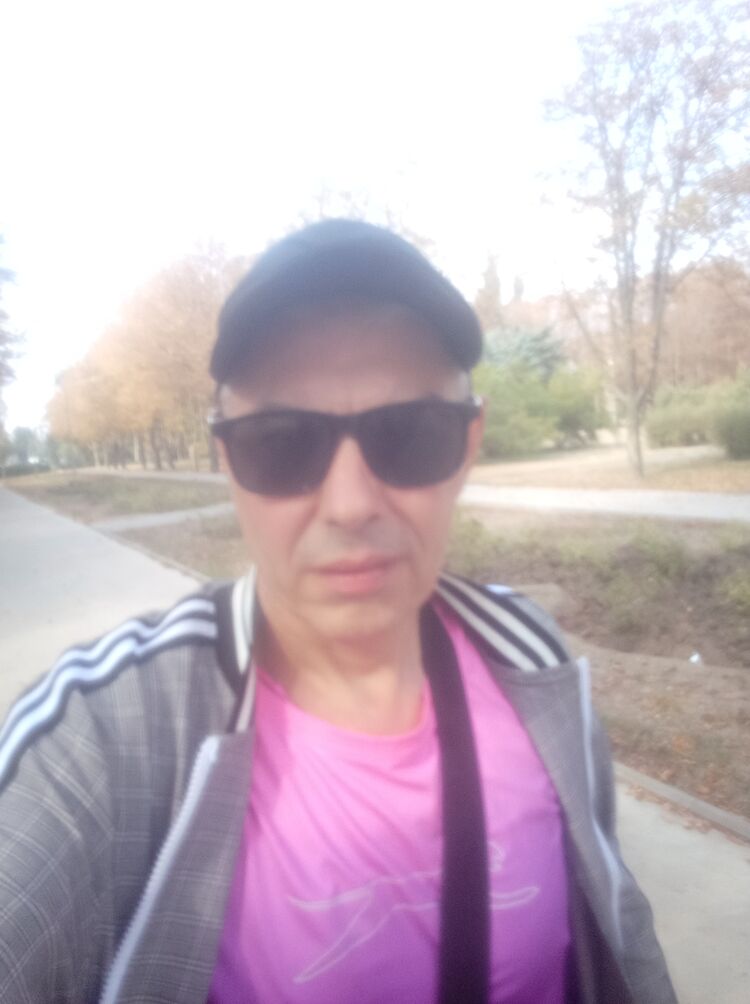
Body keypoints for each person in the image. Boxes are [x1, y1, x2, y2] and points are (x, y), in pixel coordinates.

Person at [0, 219, 676, 1004]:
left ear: (469, 443)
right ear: (227, 460)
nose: (351, 505)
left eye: (409, 434)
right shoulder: (107, 734)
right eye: (281, 443)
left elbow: (619, 947)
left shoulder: (531, 657)